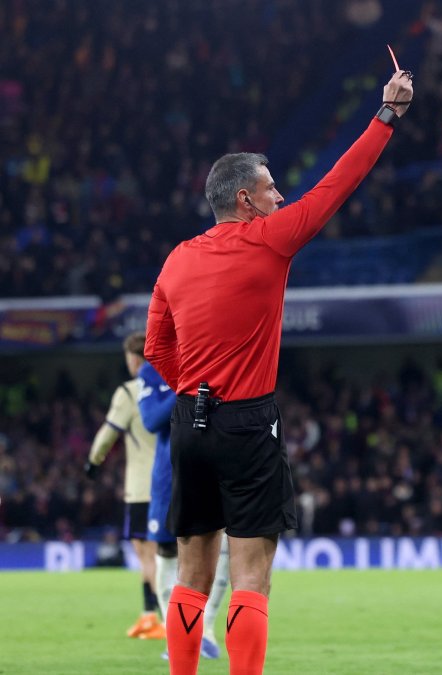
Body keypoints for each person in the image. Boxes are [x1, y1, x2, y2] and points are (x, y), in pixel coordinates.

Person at [143, 67, 414, 675]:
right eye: (270, 189)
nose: (280, 197)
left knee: (190, 570)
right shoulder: (269, 240)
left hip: (190, 422)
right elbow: (336, 186)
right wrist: (387, 115)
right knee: (251, 575)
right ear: (245, 200)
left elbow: (157, 349)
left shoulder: (177, 259)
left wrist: (194, 385)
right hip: (246, 424)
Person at [138, 361, 231, 661]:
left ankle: (206, 630)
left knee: (225, 547)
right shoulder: (152, 370)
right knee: (166, 553)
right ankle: (175, 633)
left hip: (217, 466)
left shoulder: (215, 357)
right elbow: (151, 419)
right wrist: (188, 390)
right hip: (170, 474)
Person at [84, 332, 164, 641]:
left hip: (143, 488)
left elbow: (108, 434)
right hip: (173, 482)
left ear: (133, 360)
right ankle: (149, 615)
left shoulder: (130, 392)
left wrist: (93, 462)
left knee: (150, 556)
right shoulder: (171, 386)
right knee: (165, 554)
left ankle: (165, 620)